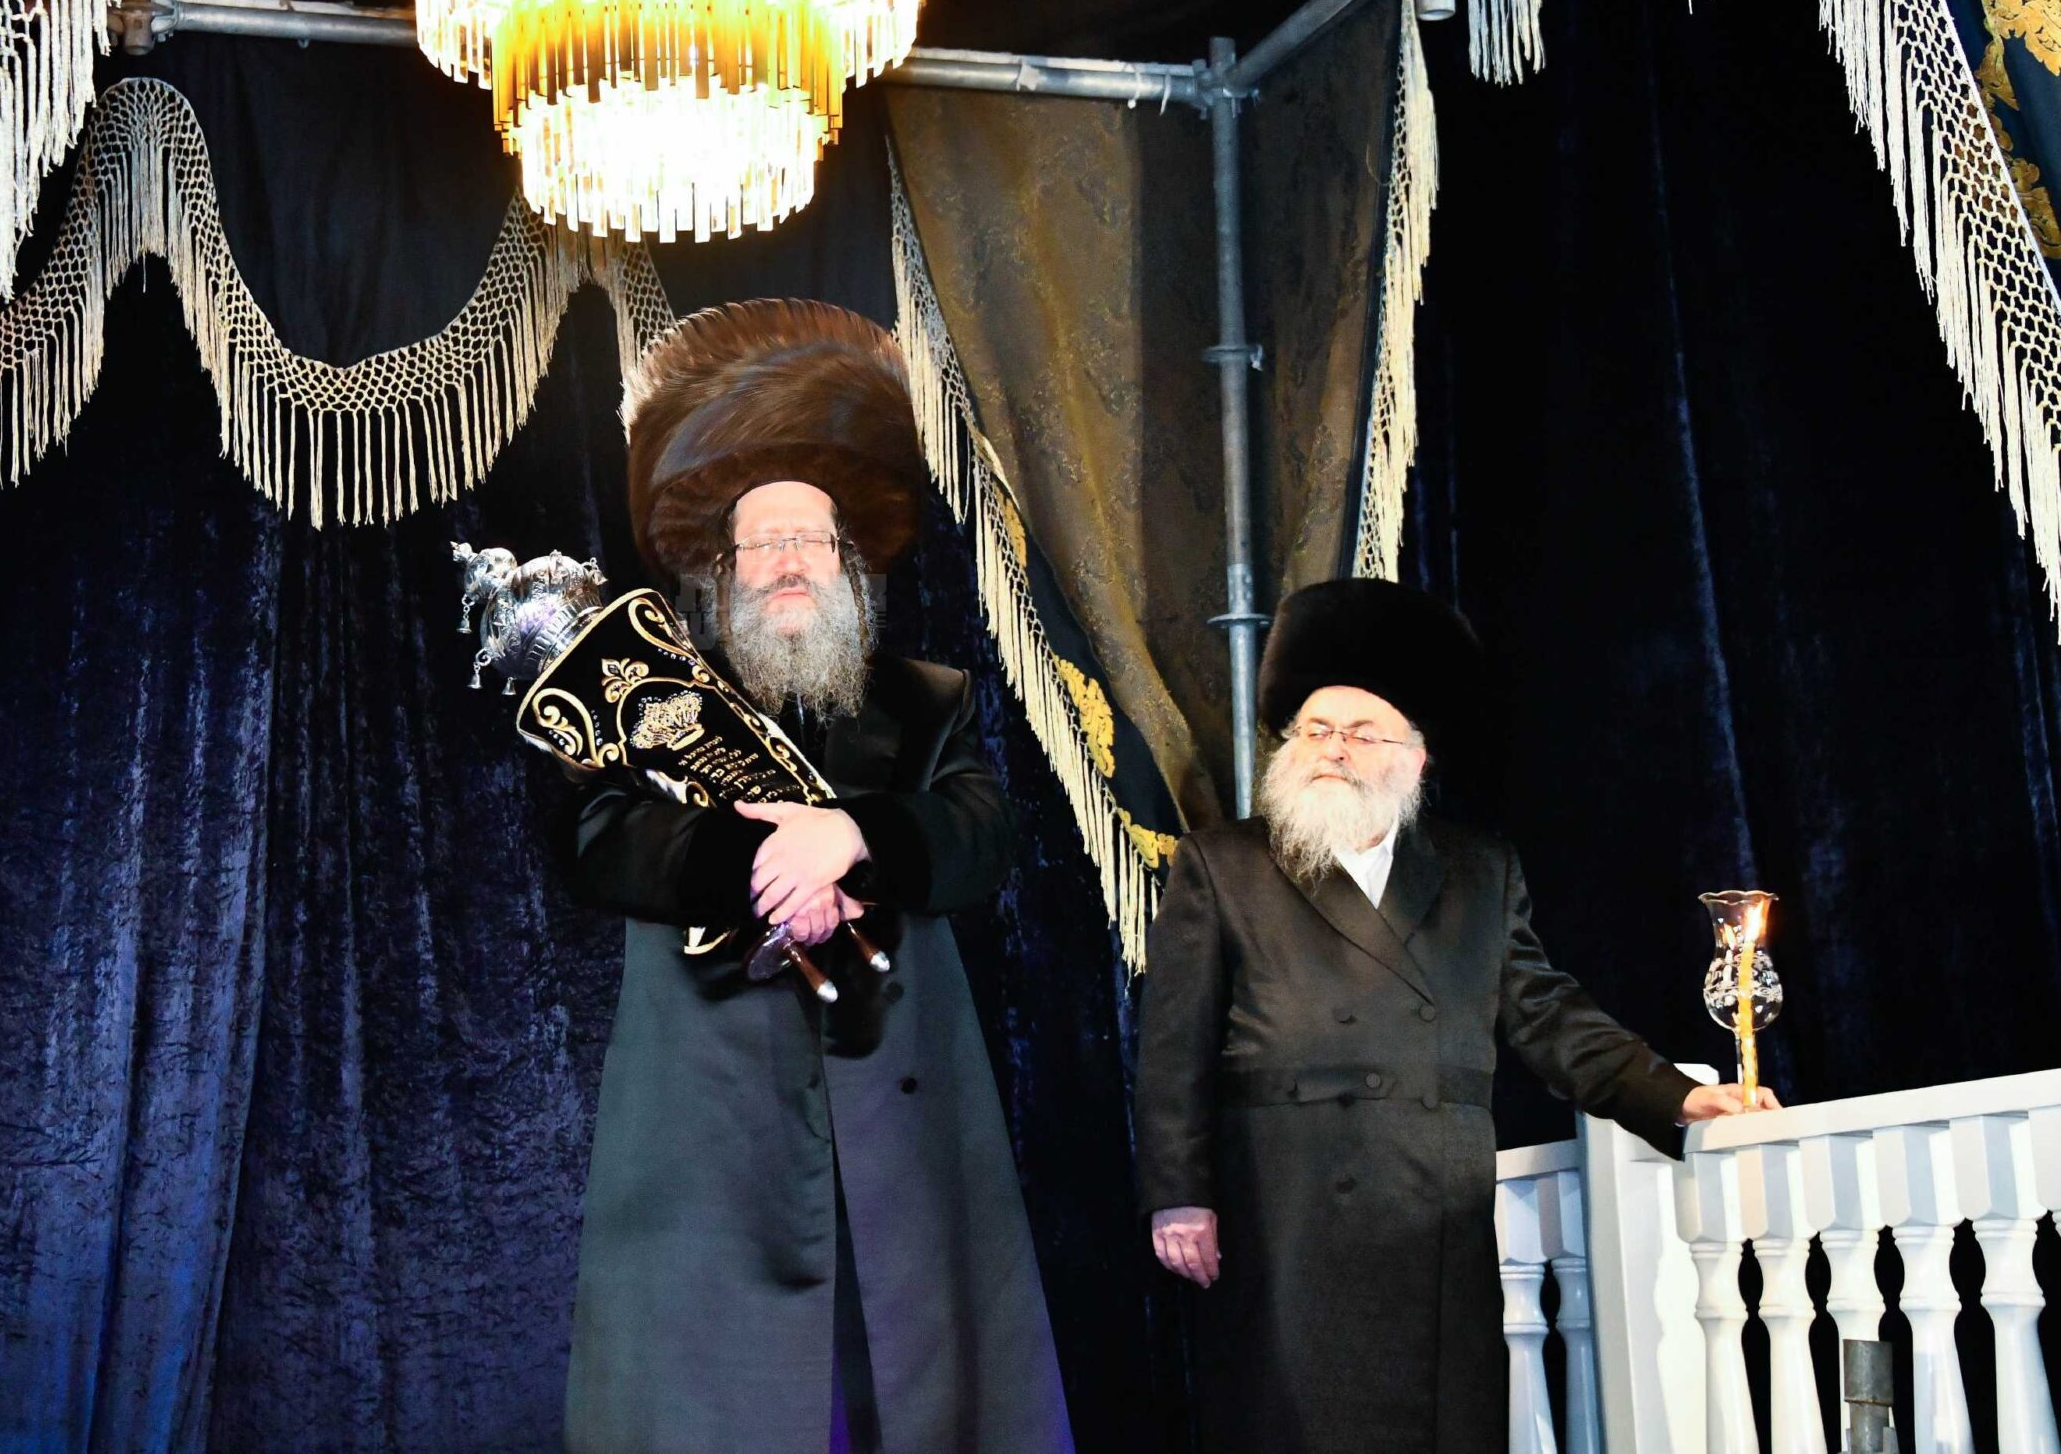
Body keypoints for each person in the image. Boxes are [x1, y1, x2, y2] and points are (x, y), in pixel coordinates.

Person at [561, 299, 1073, 1454]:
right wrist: (758, 860)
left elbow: (981, 831)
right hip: (708, 1119)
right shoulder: (652, 695)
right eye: (764, 542)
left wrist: (847, 837)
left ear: (849, 563)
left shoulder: (927, 698)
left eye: (810, 539)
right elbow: (595, 837)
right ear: (723, 569)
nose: (789, 560)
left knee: (922, 1395)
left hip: (902, 1109)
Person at [1134, 577, 1777, 1454]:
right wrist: (1178, 1195)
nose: (1333, 749)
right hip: (1284, 1202)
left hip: (1432, 1201)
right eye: (1315, 730)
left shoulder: (1479, 870)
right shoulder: (1223, 864)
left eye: (1361, 733)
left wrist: (1675, 1095)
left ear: (1415, 758)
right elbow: (1174, 1046)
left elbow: (1547, 1015)